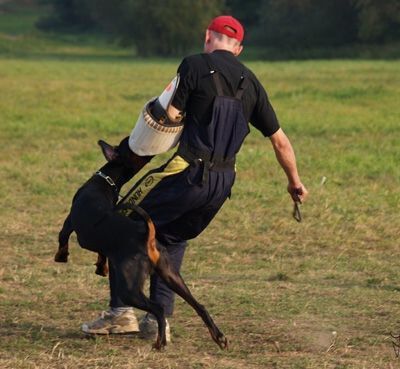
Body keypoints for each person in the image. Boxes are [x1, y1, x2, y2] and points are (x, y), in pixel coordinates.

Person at [81, 15, 308, 341]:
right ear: (239, 48)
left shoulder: (193, 64)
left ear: (207, 37)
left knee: (127, 222)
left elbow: (171, 116)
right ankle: (157, 322)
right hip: (221, 184)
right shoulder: (252, 83)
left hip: (187, 172)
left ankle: (121, 313)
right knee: (170, 238)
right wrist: (294, 182)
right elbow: (280, 141)